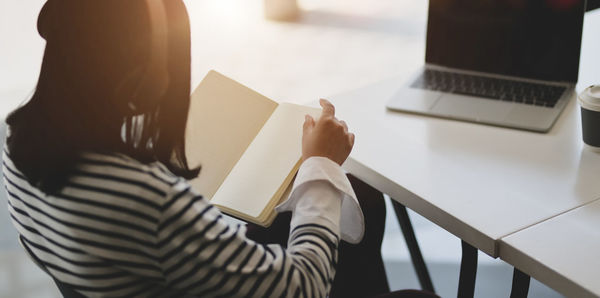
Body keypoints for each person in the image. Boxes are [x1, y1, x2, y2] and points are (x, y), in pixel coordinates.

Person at [2, 1, 438, 297]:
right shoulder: (145, 199)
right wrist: (319, 163)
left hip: (134, 274)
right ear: (136, 76)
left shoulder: (17, 141)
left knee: (360, 196)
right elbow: (302, 287)